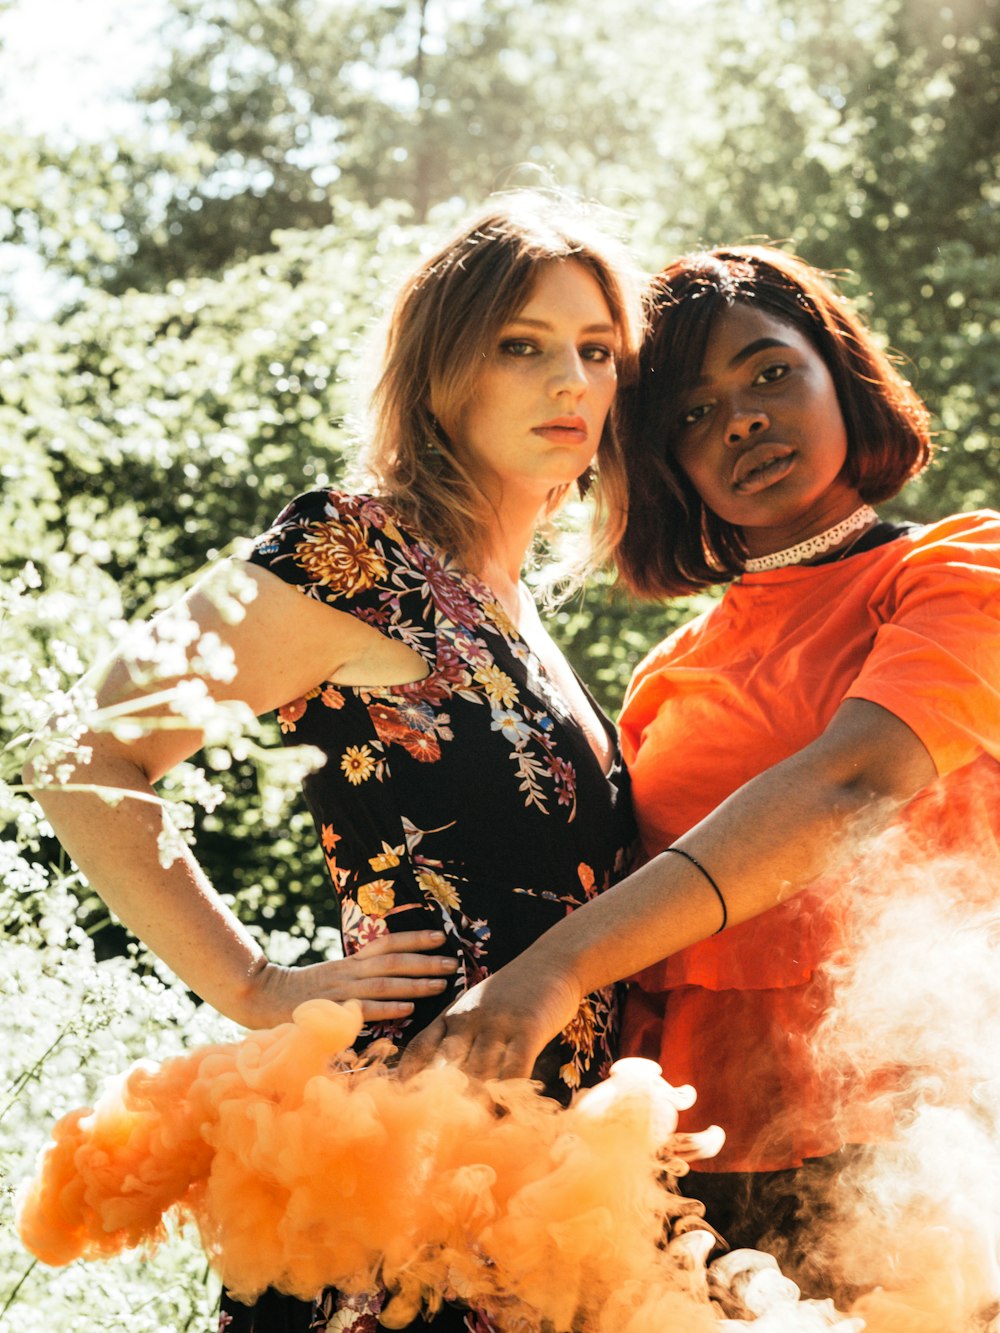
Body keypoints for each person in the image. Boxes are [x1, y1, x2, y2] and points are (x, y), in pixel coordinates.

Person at [24, 194, 644, 1332]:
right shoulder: (351, 547)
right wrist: (255, 984)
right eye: (524, 345)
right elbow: (85, 745)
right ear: (442, 367)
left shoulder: (522, 612)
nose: (573, 381)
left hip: (543, 1191)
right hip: (392, 1169)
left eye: (596, 350)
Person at [403, 245, 1000, 1281]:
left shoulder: (958, 570)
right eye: (690, 412)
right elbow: (644, 944)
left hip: (929, 1147)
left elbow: (851, 782)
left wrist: (551, 967)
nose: (740, 420)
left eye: (769, 372)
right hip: (706, 1189)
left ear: (839, 373)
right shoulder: (669, 675)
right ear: (660, 457)